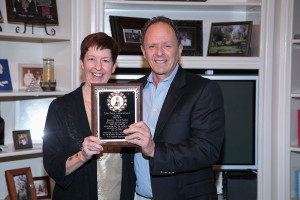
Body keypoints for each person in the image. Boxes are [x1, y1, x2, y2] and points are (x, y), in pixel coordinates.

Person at [121, 16, 225, 200]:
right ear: (143, 51)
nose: (159, 52)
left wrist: (154, 150)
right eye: (152, 46)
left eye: (167, 45)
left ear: (180, 49)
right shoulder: (129, 92)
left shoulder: (203, 90)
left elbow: (207, 149)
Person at [43, 32, 122, 200]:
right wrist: (83, 156)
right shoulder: (60, 108)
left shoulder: (128, 105)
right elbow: (53, 166)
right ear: (82, 63)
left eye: (106, 60)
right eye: (91, 59)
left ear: (114, 66)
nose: (98, 67)